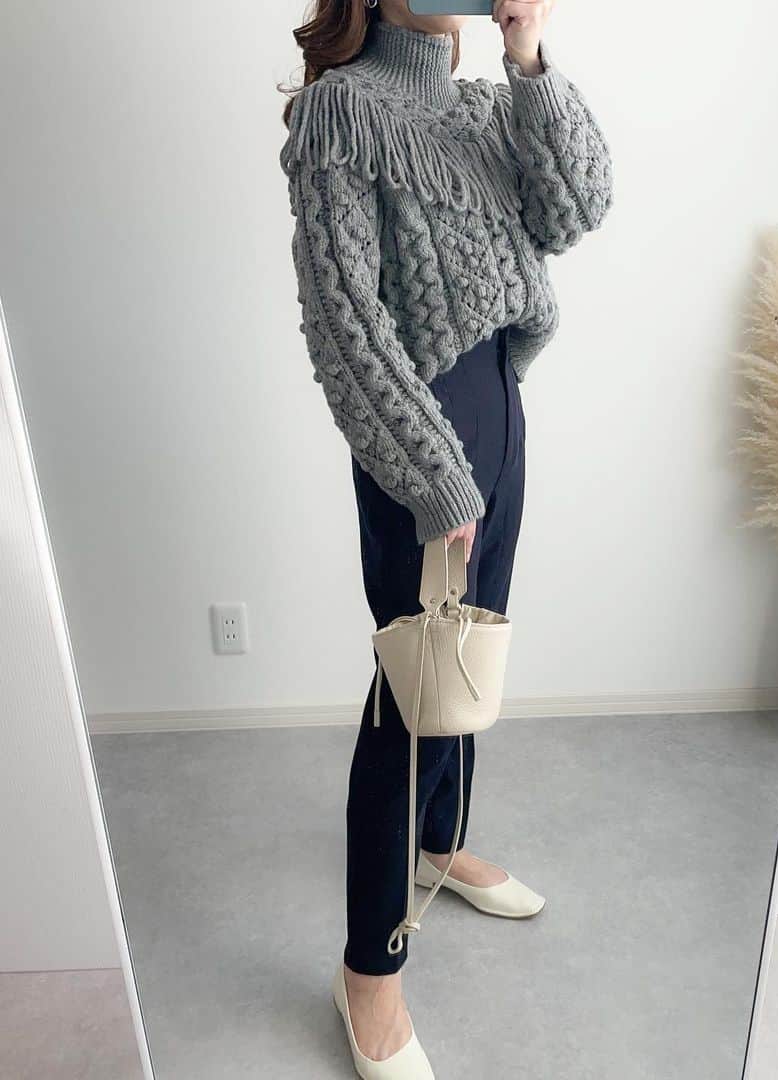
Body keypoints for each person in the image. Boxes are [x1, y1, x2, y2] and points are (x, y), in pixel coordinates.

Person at [281, 0, 612, 1074]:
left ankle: (440, 843)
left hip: (501, 408)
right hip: (422, 431)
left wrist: (528, 55)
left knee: (475, 652)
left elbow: (577, 207)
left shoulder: (480, 109)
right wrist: (431, 471)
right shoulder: (342, 113)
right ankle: (369, 973)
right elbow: (344, 321)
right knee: (410, 696)